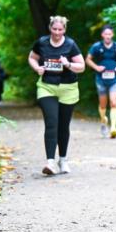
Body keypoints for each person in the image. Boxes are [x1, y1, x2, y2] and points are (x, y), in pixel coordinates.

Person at [28, 15, 85, 175]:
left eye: (60, 29)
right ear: (50, 28)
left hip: (68, 88)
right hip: (47, 87)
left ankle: (63, 159)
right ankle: (50, 162)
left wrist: (68, 64)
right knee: (51, 122)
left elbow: (82, 66)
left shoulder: (70, 44)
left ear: (65, 30)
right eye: (54, 29)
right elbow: (32, 58)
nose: (57, 32)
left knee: (63, 125)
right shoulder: (42, 43)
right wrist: (37, 68)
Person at [86, 26, 116, 138]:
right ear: (102, 35)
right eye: (105, 34)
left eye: (110, 34)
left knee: (113, 102)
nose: (108, 36)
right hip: (101, 79)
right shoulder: (97, 47)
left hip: (114, 79)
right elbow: (87, 59)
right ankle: (103, 121)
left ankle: (113, 128)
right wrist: (96, 67)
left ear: (112, 35)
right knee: (103, 104)